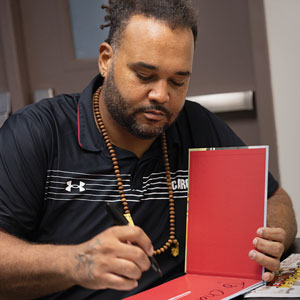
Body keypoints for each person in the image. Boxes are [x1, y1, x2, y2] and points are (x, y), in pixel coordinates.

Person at [0, 0, 297, 299]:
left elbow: (276, 200)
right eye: (144, 76)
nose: (161, 95)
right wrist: (76, 263)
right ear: (106, 60)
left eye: (178, 81)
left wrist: (270, 240)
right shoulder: (36, 133)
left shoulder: (196, 125)